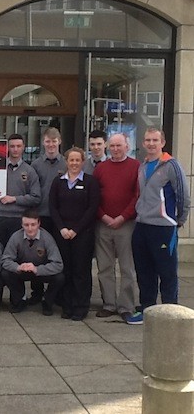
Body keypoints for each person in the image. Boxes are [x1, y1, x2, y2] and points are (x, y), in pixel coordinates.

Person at [129, 127, 190, 325]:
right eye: (147, 140)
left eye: (155, 140)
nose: (151, 144)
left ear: (162, 142)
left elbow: (183, 196)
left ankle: (170, 314)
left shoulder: (171, 165)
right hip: (142, 225)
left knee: (167, 271)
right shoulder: (143, 165)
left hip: (163, 227)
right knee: (144, 271)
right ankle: (147, 310)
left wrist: (178, 220)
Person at [92, 133, 140, 321]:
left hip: (126, 224)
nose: (115, 149)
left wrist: (122, 217)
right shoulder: (101, 168)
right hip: (103, 224)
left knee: (127, 268)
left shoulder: (136, 167)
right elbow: (94, 196)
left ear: (127, 146)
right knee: (104, 267)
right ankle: (109, 304)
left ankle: (126, 305)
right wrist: (103, 216)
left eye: (119, 145)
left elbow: (137, 195)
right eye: (112, 146)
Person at [49, 146, 100, 321]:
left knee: (81, 271)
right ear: (66, 161)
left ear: (83, 162)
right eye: (71, 160)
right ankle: (67, 305)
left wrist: (76, 230)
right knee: (66, 271)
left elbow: (92, 209)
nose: (74, 163)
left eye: (78, 160)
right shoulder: (58, 182)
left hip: (83, 234)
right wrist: (62, 228)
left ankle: (81, 306)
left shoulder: (90, 182)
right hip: (62, 233)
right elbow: (53, 207)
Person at [1, 209, 64, 316]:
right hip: (22, 269)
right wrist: (18, 267)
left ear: (39, 223)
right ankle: (20, 299)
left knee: (59, 277)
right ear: (22, 224)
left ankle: (47, 301)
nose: (30, 228)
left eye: (33, 224)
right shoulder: (16, 237)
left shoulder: (47, 238)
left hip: (40, 271)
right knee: (5, 273)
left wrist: (37, 269)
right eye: (26, 225)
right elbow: (5, 260)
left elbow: (58, 264)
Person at [29, 127, 66, 305]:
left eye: (54, 141)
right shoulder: (35, 165)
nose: (51, 145)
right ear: (43, 143)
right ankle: (37, 292)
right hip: (41, 214)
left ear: (59, 142)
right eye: (47, 141)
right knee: (38, 254)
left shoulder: (67, 164)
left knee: (57, 254)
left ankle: (56, 294)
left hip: (60, 217)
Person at [0, 133, 41, 247]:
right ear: (7, 147)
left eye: (18, 146)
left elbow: (36, 197)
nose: (15, 149)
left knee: (15, 254)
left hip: (18, 219)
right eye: (12, 146)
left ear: (23, 147)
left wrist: (14, 199)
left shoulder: (30, 171)